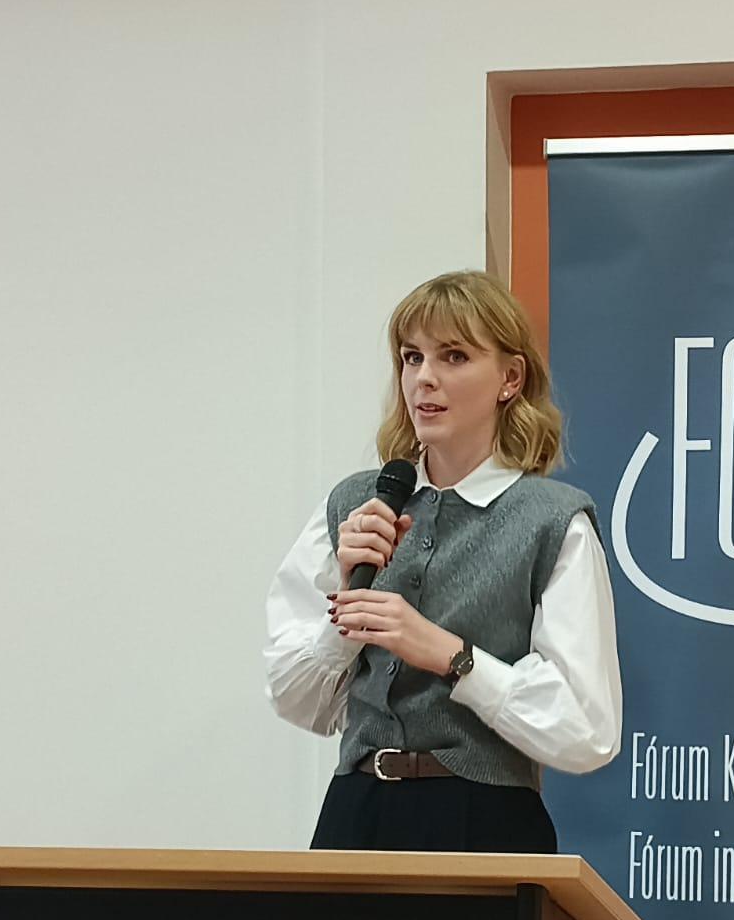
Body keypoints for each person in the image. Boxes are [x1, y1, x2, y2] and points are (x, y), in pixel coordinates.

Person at [263, 268, 624, 855]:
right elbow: (295, 698)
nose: (424, 378)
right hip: (356, 813)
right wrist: (344, 621)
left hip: (486, 821)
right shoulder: (355, 505)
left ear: (510, 378)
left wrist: (452, 658)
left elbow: (587, 731)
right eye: (412, 357)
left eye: (453, 356)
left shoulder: (552, 520)